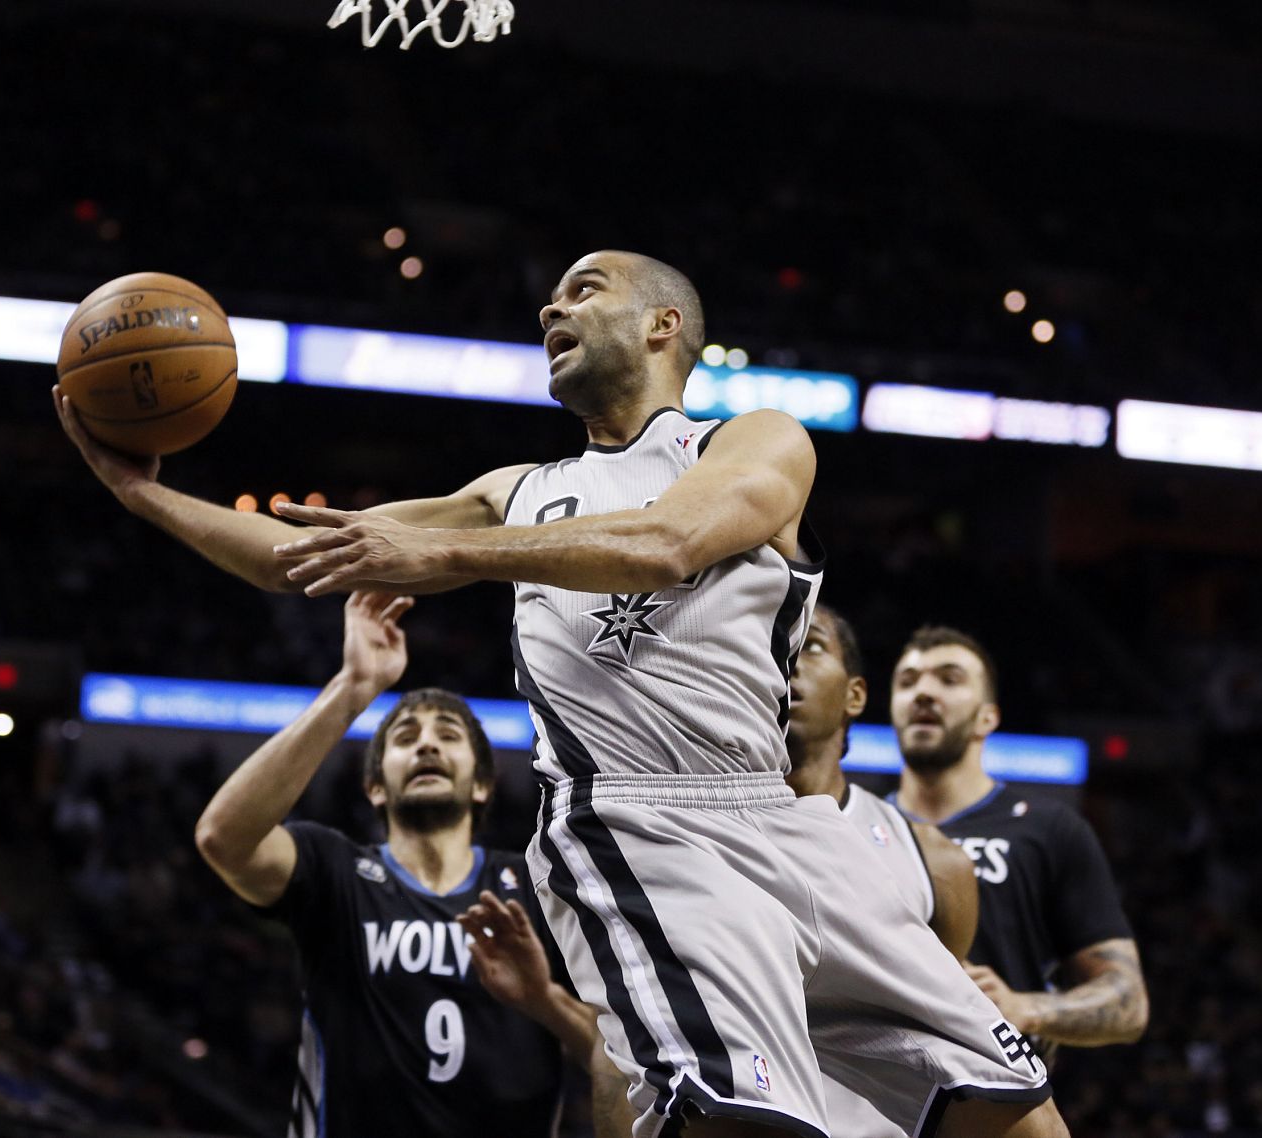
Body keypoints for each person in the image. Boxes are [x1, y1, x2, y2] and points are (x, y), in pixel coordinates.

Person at [59, 249, 1066, 1138]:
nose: (550, 310)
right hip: (641, 827)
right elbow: (299, 558)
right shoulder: (515, 491)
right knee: (750, 1122)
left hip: (788, 822)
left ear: (663, 325)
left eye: (583, 291)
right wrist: (141, 494)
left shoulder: (751, 440)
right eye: (546, 299)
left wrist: (441, 549)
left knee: (1014, 1108)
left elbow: (667, 544)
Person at [194, 591, 604, 1137]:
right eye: (406, 738)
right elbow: (223, 838)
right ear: (373, 787)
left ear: (483, 784)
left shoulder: (538, 884)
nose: (426, 746)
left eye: (448, 736)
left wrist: (542, 1001)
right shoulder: (334, 869)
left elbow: (616, 1054)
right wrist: (353, 688)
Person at [888, 625, 1150, 1063]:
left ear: (987, 717)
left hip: (1000, 1102)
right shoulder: (855, 828)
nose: (924, 693)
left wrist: (1025, 1007)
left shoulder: (1049, 829)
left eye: (949, 679)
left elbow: (1129, 1002)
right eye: (908, 681)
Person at [784, 604, 979, 1138]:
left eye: (812, 645)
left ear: (856, 696)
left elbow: (946, 1045)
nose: (784, 659)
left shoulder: (937, 863)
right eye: (769, 642)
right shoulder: (688, 837)